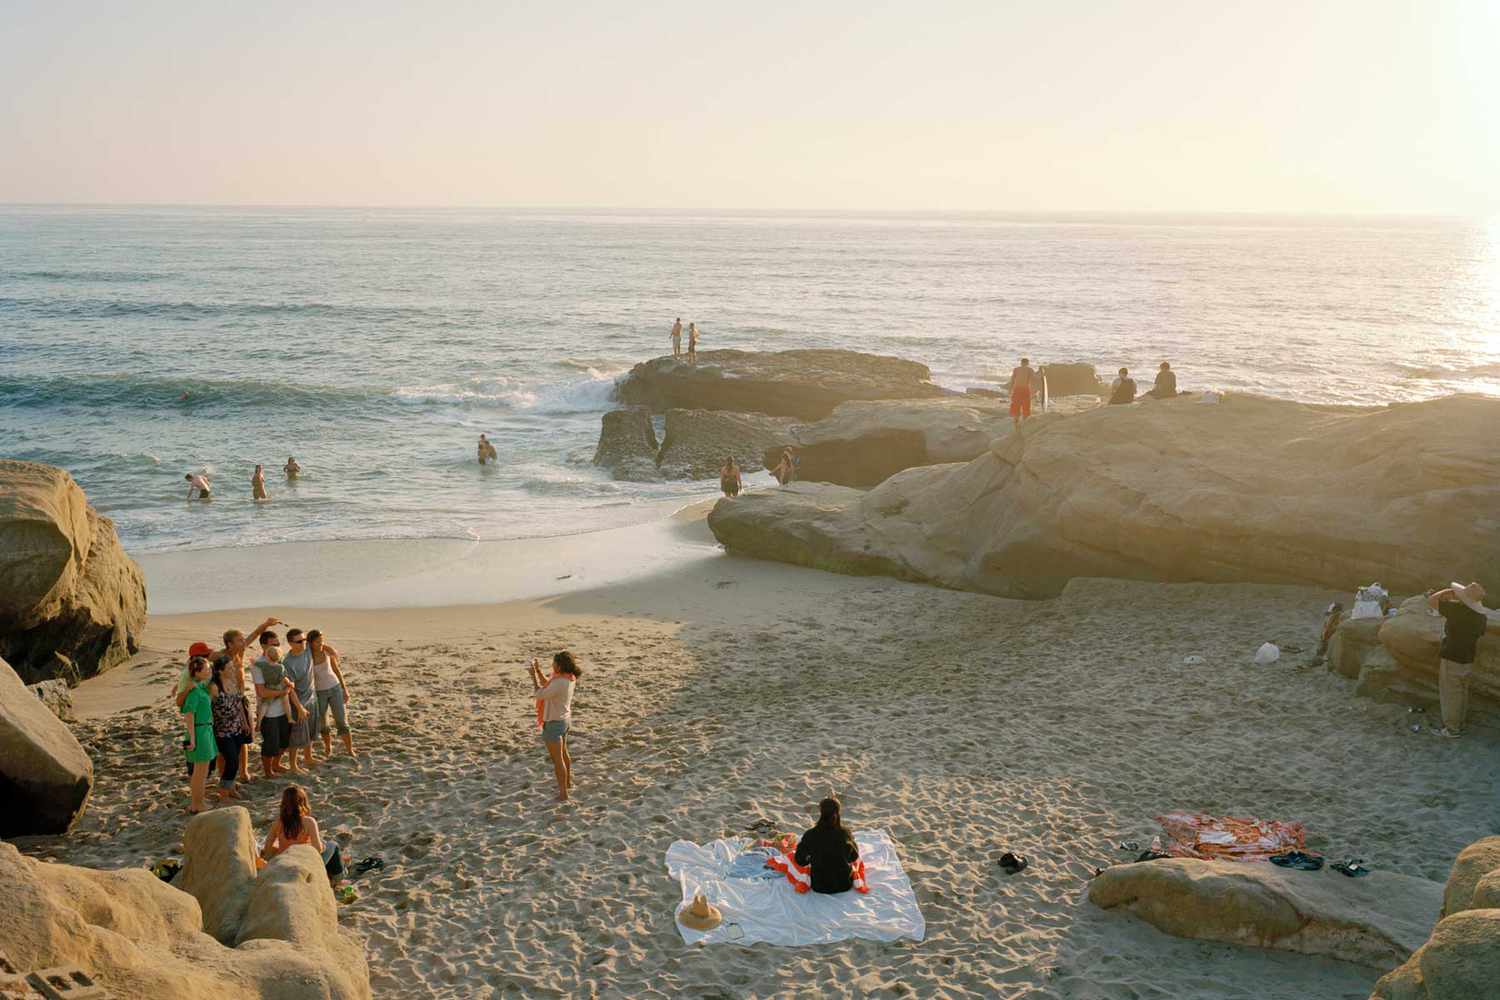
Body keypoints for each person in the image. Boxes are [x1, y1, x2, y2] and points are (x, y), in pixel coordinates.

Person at [213, 615, 280, 783]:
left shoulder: (240, 652)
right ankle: (224, 775)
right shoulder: (219, 657)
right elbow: (200, 664)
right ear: (229, 643)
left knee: (245, 736)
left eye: (243, 639)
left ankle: (244, 772)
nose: (244, 642)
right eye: (239, 640)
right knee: (224, 742)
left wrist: (266, 624)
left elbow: (254, 635)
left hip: (241, 699)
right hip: (226, 702)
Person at [1427, 582, 1492, 737]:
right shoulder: (1480, 617)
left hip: (1452, 656)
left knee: (1450, 694)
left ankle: (1451, 729)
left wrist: (1447, 591)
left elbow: (1431, 600)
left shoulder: (1457, 611)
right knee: (1462, 692)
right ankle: (1459, 724)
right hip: (1468, 657)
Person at [262, 785, 345, 885]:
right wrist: (322, 847)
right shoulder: (308, 821)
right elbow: (317, 849)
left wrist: (281, 849)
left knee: (323, 843)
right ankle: (337, 878)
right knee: (332, 845)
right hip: (305, 864)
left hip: (286, 862)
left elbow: (267, 849)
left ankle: (338, 865)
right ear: (303, 803)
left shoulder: (278, 823)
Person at [252, 630, 304, 777]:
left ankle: (276, 764)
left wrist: (299, 707)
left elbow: (288, 686)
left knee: (284, 742)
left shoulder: (279, 661)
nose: (277, 646)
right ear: (263, 646)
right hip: (268, 713)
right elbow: (262, 692)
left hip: (284, 710)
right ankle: (268, 771)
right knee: (270, 745)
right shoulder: (258, 665)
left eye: (278, 644)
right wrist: (282, 693)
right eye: (272, 644)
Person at [529, 651, 581, 802]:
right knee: (564, 754)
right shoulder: (568, 678)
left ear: (559, 665)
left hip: (553, 723)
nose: (552, 665)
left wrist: (532, 677)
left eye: (554, 663)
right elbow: (548, 685)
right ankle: (568, 783)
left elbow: (540, 693)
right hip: (564, 720)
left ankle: (563, 794)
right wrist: (538, 671)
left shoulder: (559, 682)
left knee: (558, 760)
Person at [794, 797, 861, 894]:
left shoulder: (810, 834)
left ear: (821, 812)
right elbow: (853, 857)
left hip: (819, 886)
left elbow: (800, 861)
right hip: (844, 884)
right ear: (838, 812)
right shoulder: (845, 833)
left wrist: (811, 858)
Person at [208, 655, 252, 800]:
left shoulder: (233, 681)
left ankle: (231, 788)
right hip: (222, 731)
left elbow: (239, 704)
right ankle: (224, 793)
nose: (233, 669)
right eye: (230, 667)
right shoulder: (214, 687)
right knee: (231, 761)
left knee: (235, 761)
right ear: (220, 671)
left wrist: (244, 723)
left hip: (237, 728)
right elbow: (208, 709)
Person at [308, 630, 355, 758]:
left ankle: (350, 750)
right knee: (323, 723)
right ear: (311, 643)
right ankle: (328, 748)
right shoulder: (307, 656)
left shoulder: (327, 652)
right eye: (318, 641)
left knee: (341, 720)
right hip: (319, 693)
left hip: (335, 688)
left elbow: (336, 670)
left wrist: (344, 689)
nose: (321, 643)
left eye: (322, 640)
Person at [180, 656, 218, 814]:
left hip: (206, 730)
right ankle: (197, 804)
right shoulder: (195, 691)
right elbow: (189, 714)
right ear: (197, 672)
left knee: (202, 770)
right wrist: (193, 739)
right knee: (199, 772)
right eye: (207, 668)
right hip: (199, 731)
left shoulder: (201, 687)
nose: (210, 670)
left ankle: (198, 801)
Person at [282, 628, 319, 772]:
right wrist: (299, 708)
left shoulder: (307, 648)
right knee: (297, 736)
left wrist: (331, 650)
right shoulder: (288, 663)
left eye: (304, 640)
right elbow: (290, 689)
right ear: (291, 643)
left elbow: (319, 642)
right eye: (299, 641)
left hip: (312, 697)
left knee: (310, 731)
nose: (303, 643)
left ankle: (308, 757)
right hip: (299, 702)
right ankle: (293, 765)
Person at [1008, 358, 1037, 424]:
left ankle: (1016, 422)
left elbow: (1012, 380)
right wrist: (1042, 375)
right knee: (1026, 406)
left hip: (1016, 389)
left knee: (1016, 406)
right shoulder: (1029, 369)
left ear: (1021, 363)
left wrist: (1010, 390)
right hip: (1025, 389)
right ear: (1027, 363)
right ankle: (1024, 422)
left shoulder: (1016, 369)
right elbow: (1034, 378)